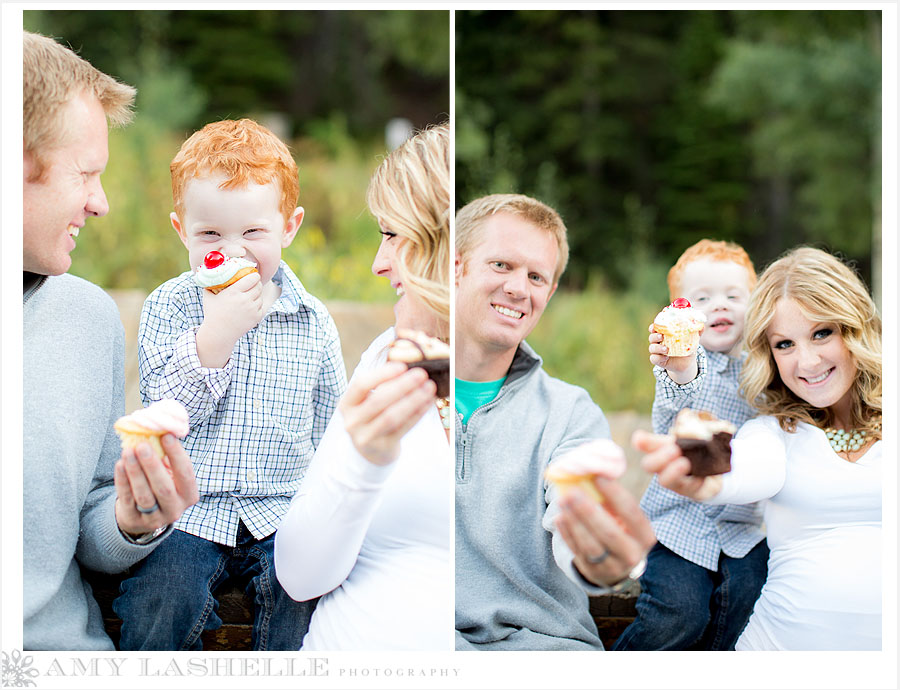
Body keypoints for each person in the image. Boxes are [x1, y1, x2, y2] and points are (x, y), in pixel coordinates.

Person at [112, 119, 347, 651]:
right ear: (181, 231)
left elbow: (336, 425)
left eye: (254, 233)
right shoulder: (169, 308)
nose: (235, 251)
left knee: (305, 602)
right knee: (160, 597)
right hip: (192, 513)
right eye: (211, 235)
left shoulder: (311, 320)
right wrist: (215, 336)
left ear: (289, 227)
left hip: (281, 510)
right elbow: (164, 414)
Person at [23, 31, 198, 651]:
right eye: (86, 173)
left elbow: (91, 530)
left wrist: (133, 519)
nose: (101, 202)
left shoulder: (87, 320)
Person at [637, 246, 882, 650]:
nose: (807, 362)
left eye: (822, 333)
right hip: (772, 645)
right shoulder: (773, 426)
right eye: (784, 344)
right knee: (680, 610)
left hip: (876, 664)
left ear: (854, 326)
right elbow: (749, 467)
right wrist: (707, 484)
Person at [275, 123, 451, 650]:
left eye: (393, 235)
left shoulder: (533, 396)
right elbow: (299, 574)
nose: (378, 263)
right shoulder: (385, 359)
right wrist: (363, 459)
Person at [453, 194, 656, 651]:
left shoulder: (570, 412)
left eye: (536, 277)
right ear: (457, 267)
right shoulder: (402, 389)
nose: (519, 289)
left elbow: (573, 506)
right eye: (502, 265)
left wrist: (596, 558)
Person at [614, 239, 769, 650]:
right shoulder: (683, 361)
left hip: (741, 528)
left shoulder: (762, 368)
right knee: (680, 612)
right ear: (679, 311)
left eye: (734, 296)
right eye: (702, 298)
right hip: (677, 525)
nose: (719, 305)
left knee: (747, 604)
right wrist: (679, 363)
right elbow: (682, 386)